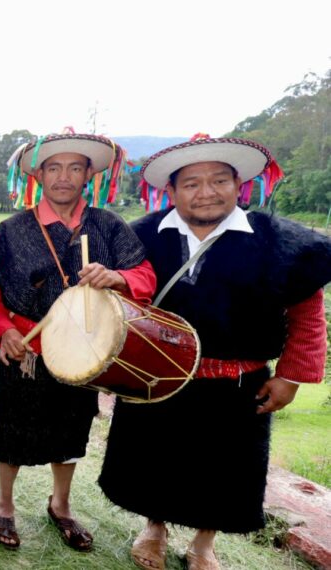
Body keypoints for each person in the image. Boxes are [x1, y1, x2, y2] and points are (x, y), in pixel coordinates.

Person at [98, 135, 331, 570]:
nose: (206, 192)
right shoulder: (140, 236)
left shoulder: (279, 241)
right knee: (155, 461)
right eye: (191, 183)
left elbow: (307, 314)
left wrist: (291, 376)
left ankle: (204, 544)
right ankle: (154, 528)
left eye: (219, 180)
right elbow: (118, 304)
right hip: (158, 375)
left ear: (238, 185)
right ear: (172, 191)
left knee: (226, 471)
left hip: (238, 381)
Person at [0, 132, 156, 551]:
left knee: (71, 431)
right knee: (12, 431)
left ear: (88, 174)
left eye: (74, 168)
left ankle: (61, 505)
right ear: (38, 174)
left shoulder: (108, 225)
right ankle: (4, 506)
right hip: (28, 350)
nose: (63, 177)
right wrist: (3, 330)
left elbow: (144, 275)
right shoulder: (12, 230)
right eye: (53, 168)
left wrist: (117, 277)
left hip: (87, 348)